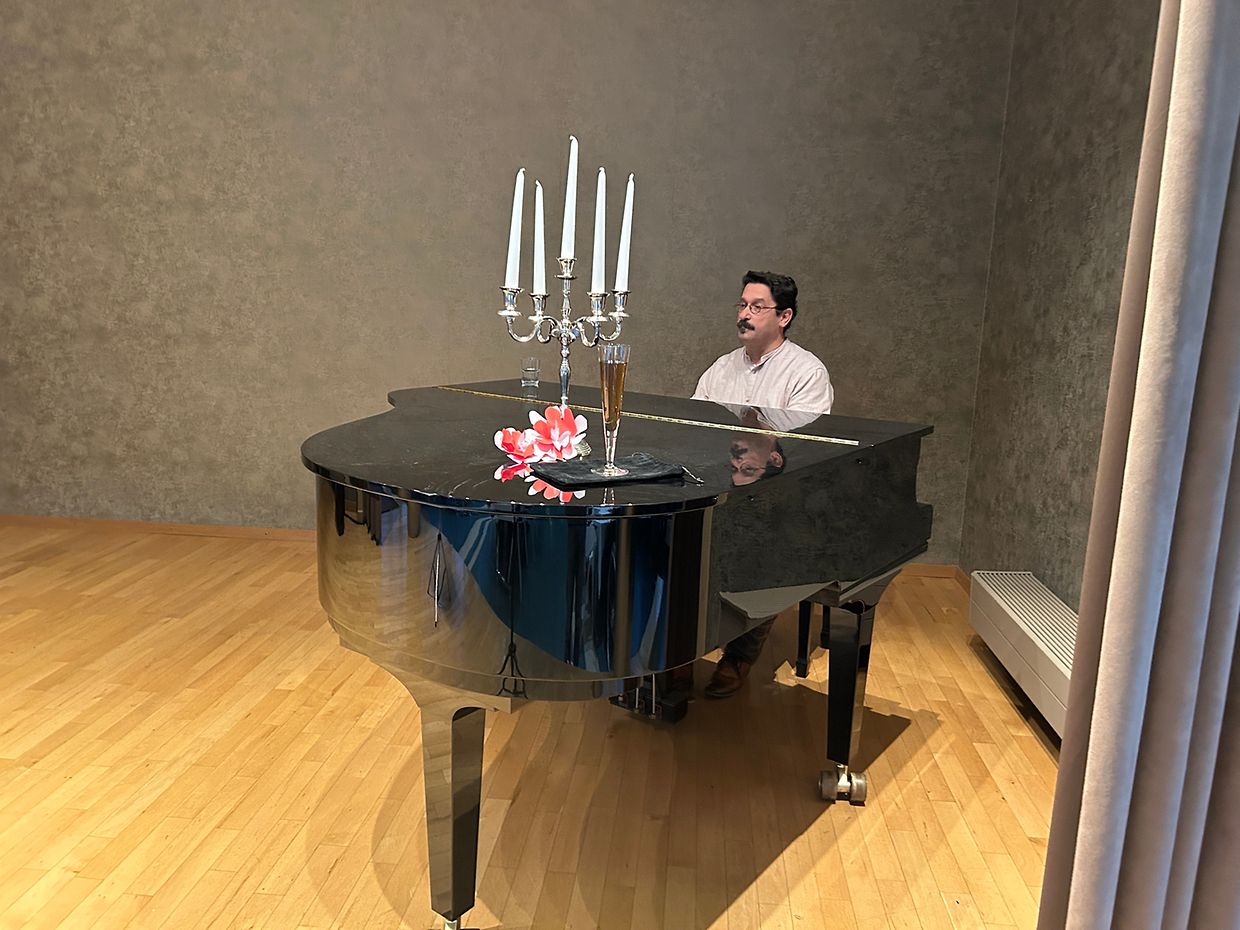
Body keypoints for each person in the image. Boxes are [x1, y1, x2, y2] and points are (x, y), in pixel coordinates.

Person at [693, 270, 834, 698]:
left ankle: (739, 653)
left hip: (779, 492)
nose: (745, 314)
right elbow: (694, 426)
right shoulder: (721, 368)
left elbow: (806, 448)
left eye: (757, 307)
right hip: (722, 484)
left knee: (761, 544)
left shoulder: (806, 372)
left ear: (784, 316)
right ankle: (680, 651)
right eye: (742, 305)